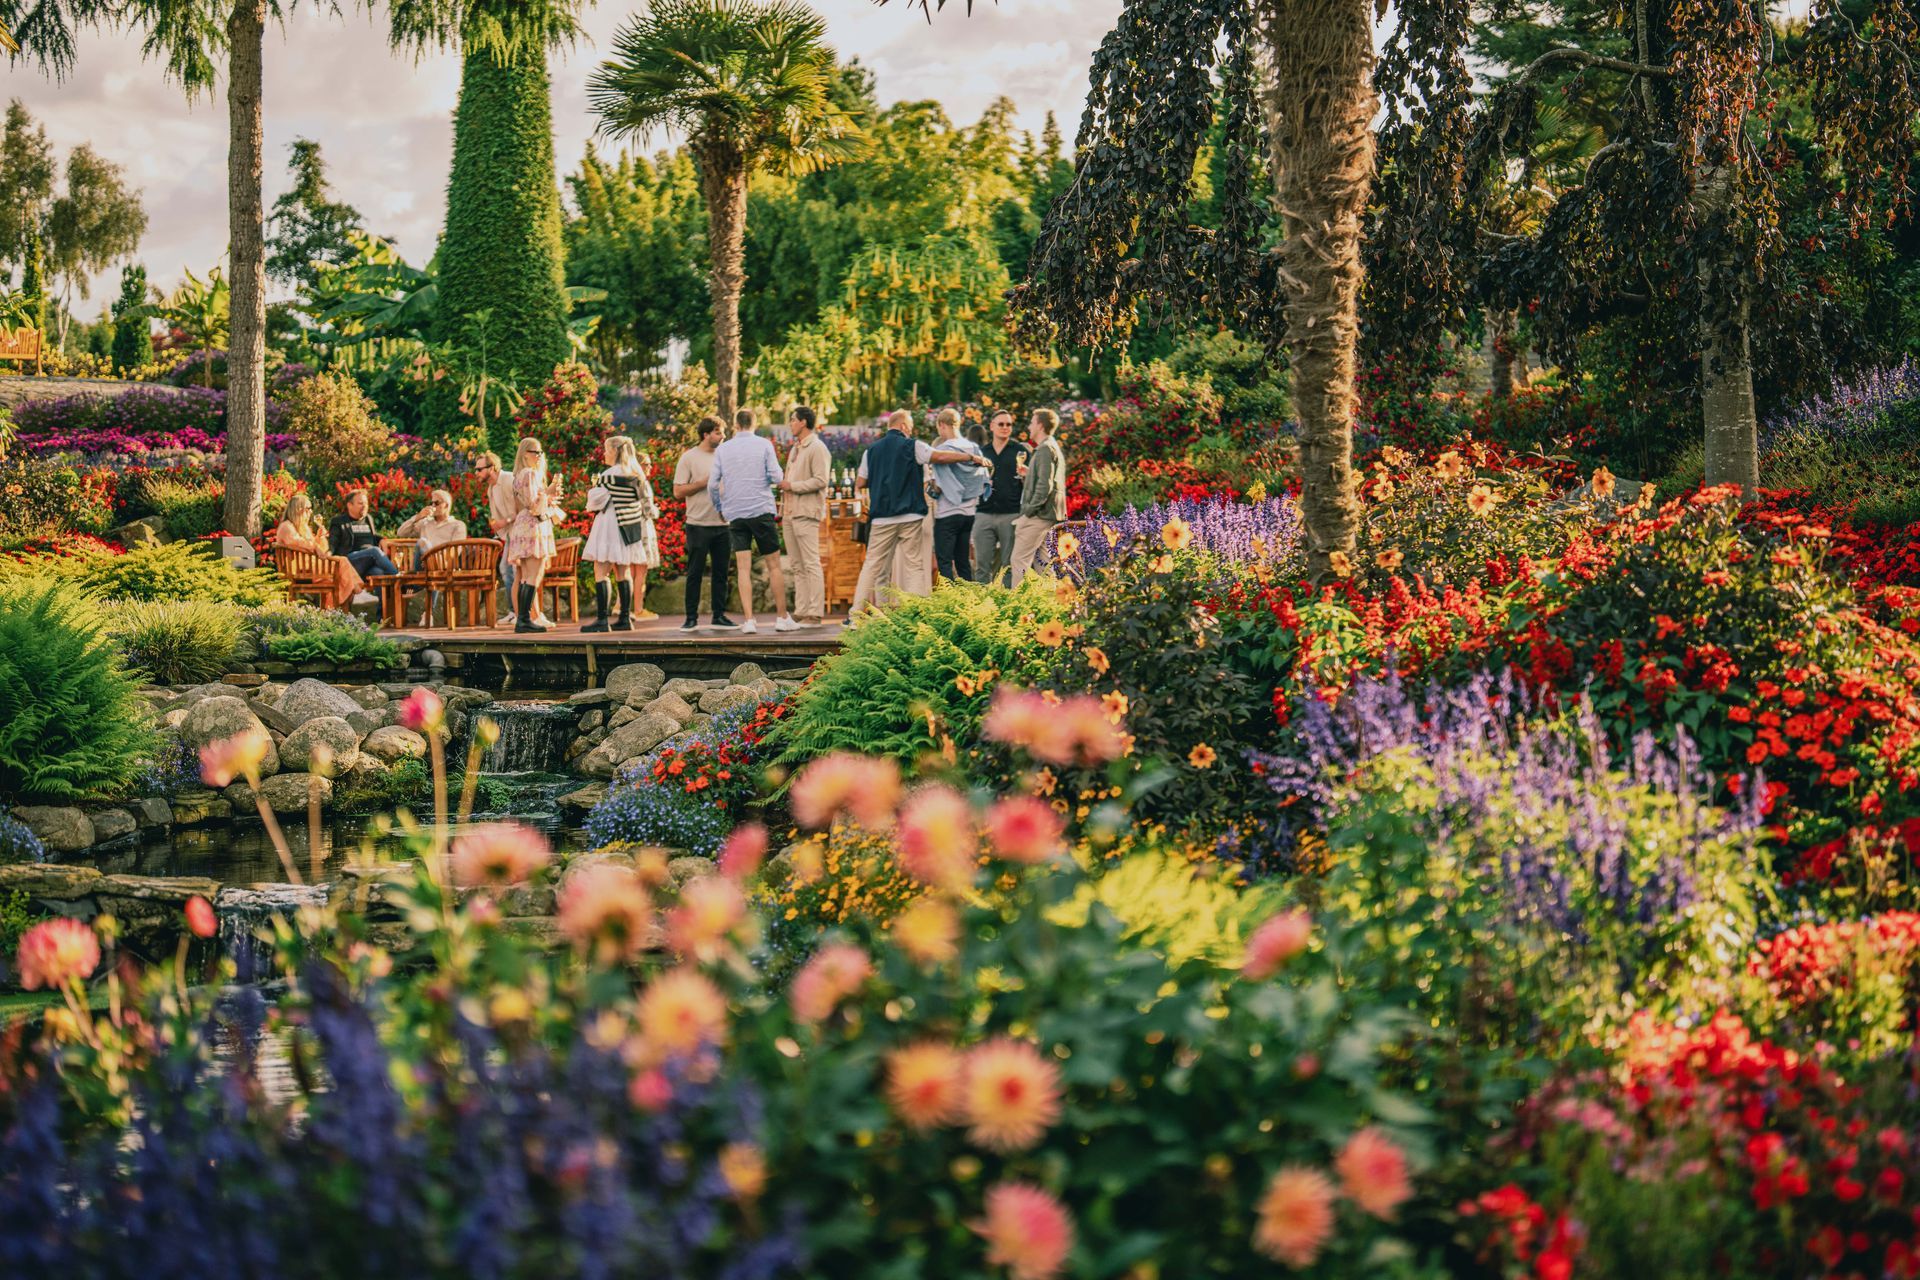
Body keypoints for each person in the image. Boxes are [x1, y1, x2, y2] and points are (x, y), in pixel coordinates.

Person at [851, 409, 985, 614]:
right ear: (903, 426)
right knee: (914, 566)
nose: (911, 431)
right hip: (910, 515)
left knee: (872, 566)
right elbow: (939, 456)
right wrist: (969, 457)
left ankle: (856, 615)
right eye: (910, 427)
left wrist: (882, 478)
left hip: (881, 518)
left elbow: (860, 482)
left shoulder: (871, 451)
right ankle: (915, 614)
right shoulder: (913, 446)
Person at [708, 408, 797, 635]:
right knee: (774, 566)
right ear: (754, 423)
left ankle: (748, 621)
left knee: (743, 569)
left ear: (735, 425)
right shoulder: (764, 445)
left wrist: (720, 507)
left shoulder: (723, 449)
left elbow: (712, 484)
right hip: (761, 510)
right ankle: (781, 617)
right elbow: (777, 477)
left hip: (736, 514)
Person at [582, 435, 660, 633]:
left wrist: (593, 492)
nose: (605, 453)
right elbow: (649, 507)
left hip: (609, 525)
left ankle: (602, 620)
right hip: (630, 526)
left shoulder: (608, 475)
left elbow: (595, 502)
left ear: (615, 451)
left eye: (607, 450)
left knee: (601, 570)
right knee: (624, 571)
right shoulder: (638, 475)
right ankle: (625, 618)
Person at [674, 416, 737, 632]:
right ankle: (690, 618)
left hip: (723, 524)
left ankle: (719, 616)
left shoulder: (726, 456)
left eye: (723, 432)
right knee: (695, 572)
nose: (723, 436)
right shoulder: (689, 458)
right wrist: (703, 483)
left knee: (721, 573)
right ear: (706, 434)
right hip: (698, 524)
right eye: (719, 432)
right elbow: (678, 491)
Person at [780, 404, 830, 627]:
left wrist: (792, 486)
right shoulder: (796, 448)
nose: (790, 423)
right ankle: (801, 610)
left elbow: (821, 480)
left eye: (793, 419)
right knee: (796, 565)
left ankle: (815, 612)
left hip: (806, 512)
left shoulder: (817, 448)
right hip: (789, 513)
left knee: (811, 563)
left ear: (803, 422)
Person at [275, 492, 372, 606]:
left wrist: (319, 537)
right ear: (299, 509)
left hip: (309, 568)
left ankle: (333, 610)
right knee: (341, 562)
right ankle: (357, 592)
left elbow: (321, 548)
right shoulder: (286, 526)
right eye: (308, 508)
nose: (311, 512)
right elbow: (299, 544)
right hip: (300, 571)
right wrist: (315, 546)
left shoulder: (303, 528)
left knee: (339, 576)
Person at [506, 436, 561, 634]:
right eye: (534, 452)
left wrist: (548, 495)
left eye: (540, 452)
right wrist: (549, 491)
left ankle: (523, 618)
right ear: (524, 454)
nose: (538, 456)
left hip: (526, 525)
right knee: (533, 575)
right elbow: (533, 504)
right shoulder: (529, 474)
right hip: (532, 527)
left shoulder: (521, 474)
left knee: (527, 575)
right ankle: (524, 619)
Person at [930, 406, 988, 582]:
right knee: (963, 561)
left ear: (941, 425)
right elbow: (983, 478)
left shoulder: (943, 450)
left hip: (947, 513)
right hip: (969, 513)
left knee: (945, 562)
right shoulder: (973, 447)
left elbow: (938, 487)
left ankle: (950, 603)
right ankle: (968, 603)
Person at [1009, 408, 1067, 586]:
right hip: (1049, 514)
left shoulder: (1044, 449)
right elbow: (1047, 479)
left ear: (1040, 425)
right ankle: (1052, 604)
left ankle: (1018, 608)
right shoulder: (1051, 446)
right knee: (1044, 564)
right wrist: (1029, 473)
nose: (1029, 427)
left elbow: (1045, 487)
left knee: (1018, 561)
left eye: (1032, 422)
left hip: (1039, 514)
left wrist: (1027, 512)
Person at [394, 488, 469, 625]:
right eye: (431, 503)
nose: (432, 506)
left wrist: (438, 559)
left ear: (446, 505)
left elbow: (455, 551)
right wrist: (418, 517)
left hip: (443, 565)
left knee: (427, 552)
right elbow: (400, 532)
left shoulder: (457, 525)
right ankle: (427, 612)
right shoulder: (425, 524)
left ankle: (426, 610)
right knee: (422, 543)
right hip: (423, 566)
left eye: (436, 503)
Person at [972, 409, 1029, 586]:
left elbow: (1032, 481)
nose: (1005, 427)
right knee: (981, 565)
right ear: (991, 427)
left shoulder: (1020, 451)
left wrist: (1026, 475)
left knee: (1009, 565)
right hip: (983, 513)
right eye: (1001, 424)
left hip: (1011, 514)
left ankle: (1008, 605)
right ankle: (981, 606)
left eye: (1008, 424)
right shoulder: (982, 452)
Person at [477, 451, 519, 627]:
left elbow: (521, 508)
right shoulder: (491, 488)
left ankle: (521, 613)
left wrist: (504, 521)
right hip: (511, 534)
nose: (476, 473)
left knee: (516, 572)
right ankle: (514, 611)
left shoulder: (509, 479)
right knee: (507, 569)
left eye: (479, 469)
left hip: (522, 531)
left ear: (492, 467)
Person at [328, 488, 399, 582]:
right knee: (374, 551)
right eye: (360, 503)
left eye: (366, 503)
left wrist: (382, 539)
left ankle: (391, 596)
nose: (365, 506)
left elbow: (373, 536)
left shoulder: (368, 519)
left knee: (378, 573)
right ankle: (401, 581)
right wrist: (328, 554)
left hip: (369, 562)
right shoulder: (339, 522)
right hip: (350, 562)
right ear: (349, 505)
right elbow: (333, 541)